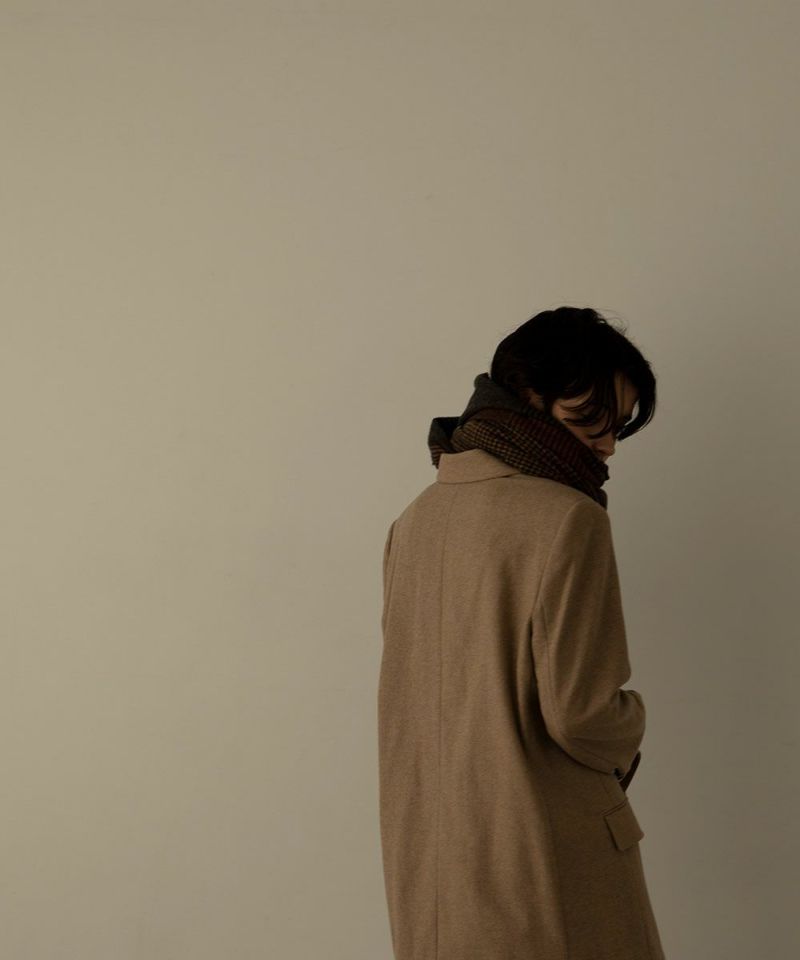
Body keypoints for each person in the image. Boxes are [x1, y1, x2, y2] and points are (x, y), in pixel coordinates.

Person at [378, 306, 666, 960]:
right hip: (547, 859)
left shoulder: (415, 520)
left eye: (618, 426)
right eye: (591, 419)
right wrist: (634, 721)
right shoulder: (569, 518)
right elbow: (582, 712)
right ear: (529, 396)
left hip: (434, 863)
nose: (608, 446)